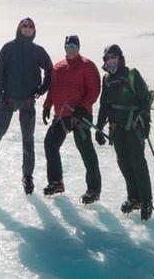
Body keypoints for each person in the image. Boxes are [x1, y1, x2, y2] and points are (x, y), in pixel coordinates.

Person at [0, 17, 53, 195]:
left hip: (27, 101)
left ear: (34, 30)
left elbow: (50, 69)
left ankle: (28, 176)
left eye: (31, 27)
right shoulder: (9, 48)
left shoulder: (37, 51)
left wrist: (43, 88)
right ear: (19, 28)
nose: (28, 29)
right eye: (24, 26)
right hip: (7, 100)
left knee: (28, 140)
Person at [94, 44, 154, 221]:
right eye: (108, 58)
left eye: (114, 57)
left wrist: (145, 124)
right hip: (117, 128)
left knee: (137, 162)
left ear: (120, 59)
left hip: (134, 126)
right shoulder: (106, 79)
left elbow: (144, 100)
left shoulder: (132, 74)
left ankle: (146, 201)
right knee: (123, 162)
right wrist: (99, 128)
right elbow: (104, 105)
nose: (111, 61)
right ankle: (133, 197)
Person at [41, 35, 102, 203]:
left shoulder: (87, 66)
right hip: (61, 115)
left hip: (80, 116)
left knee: (85, 150)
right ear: (65, 47)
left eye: (75, 45)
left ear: (79, 47)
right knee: (50, 144)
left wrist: (83, 107)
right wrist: (47, 105)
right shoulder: (57, 67)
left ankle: (93, 189)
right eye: (69, 45)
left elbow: (94, 90)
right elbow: (52, 90)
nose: (72, 48)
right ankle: (56, 182)